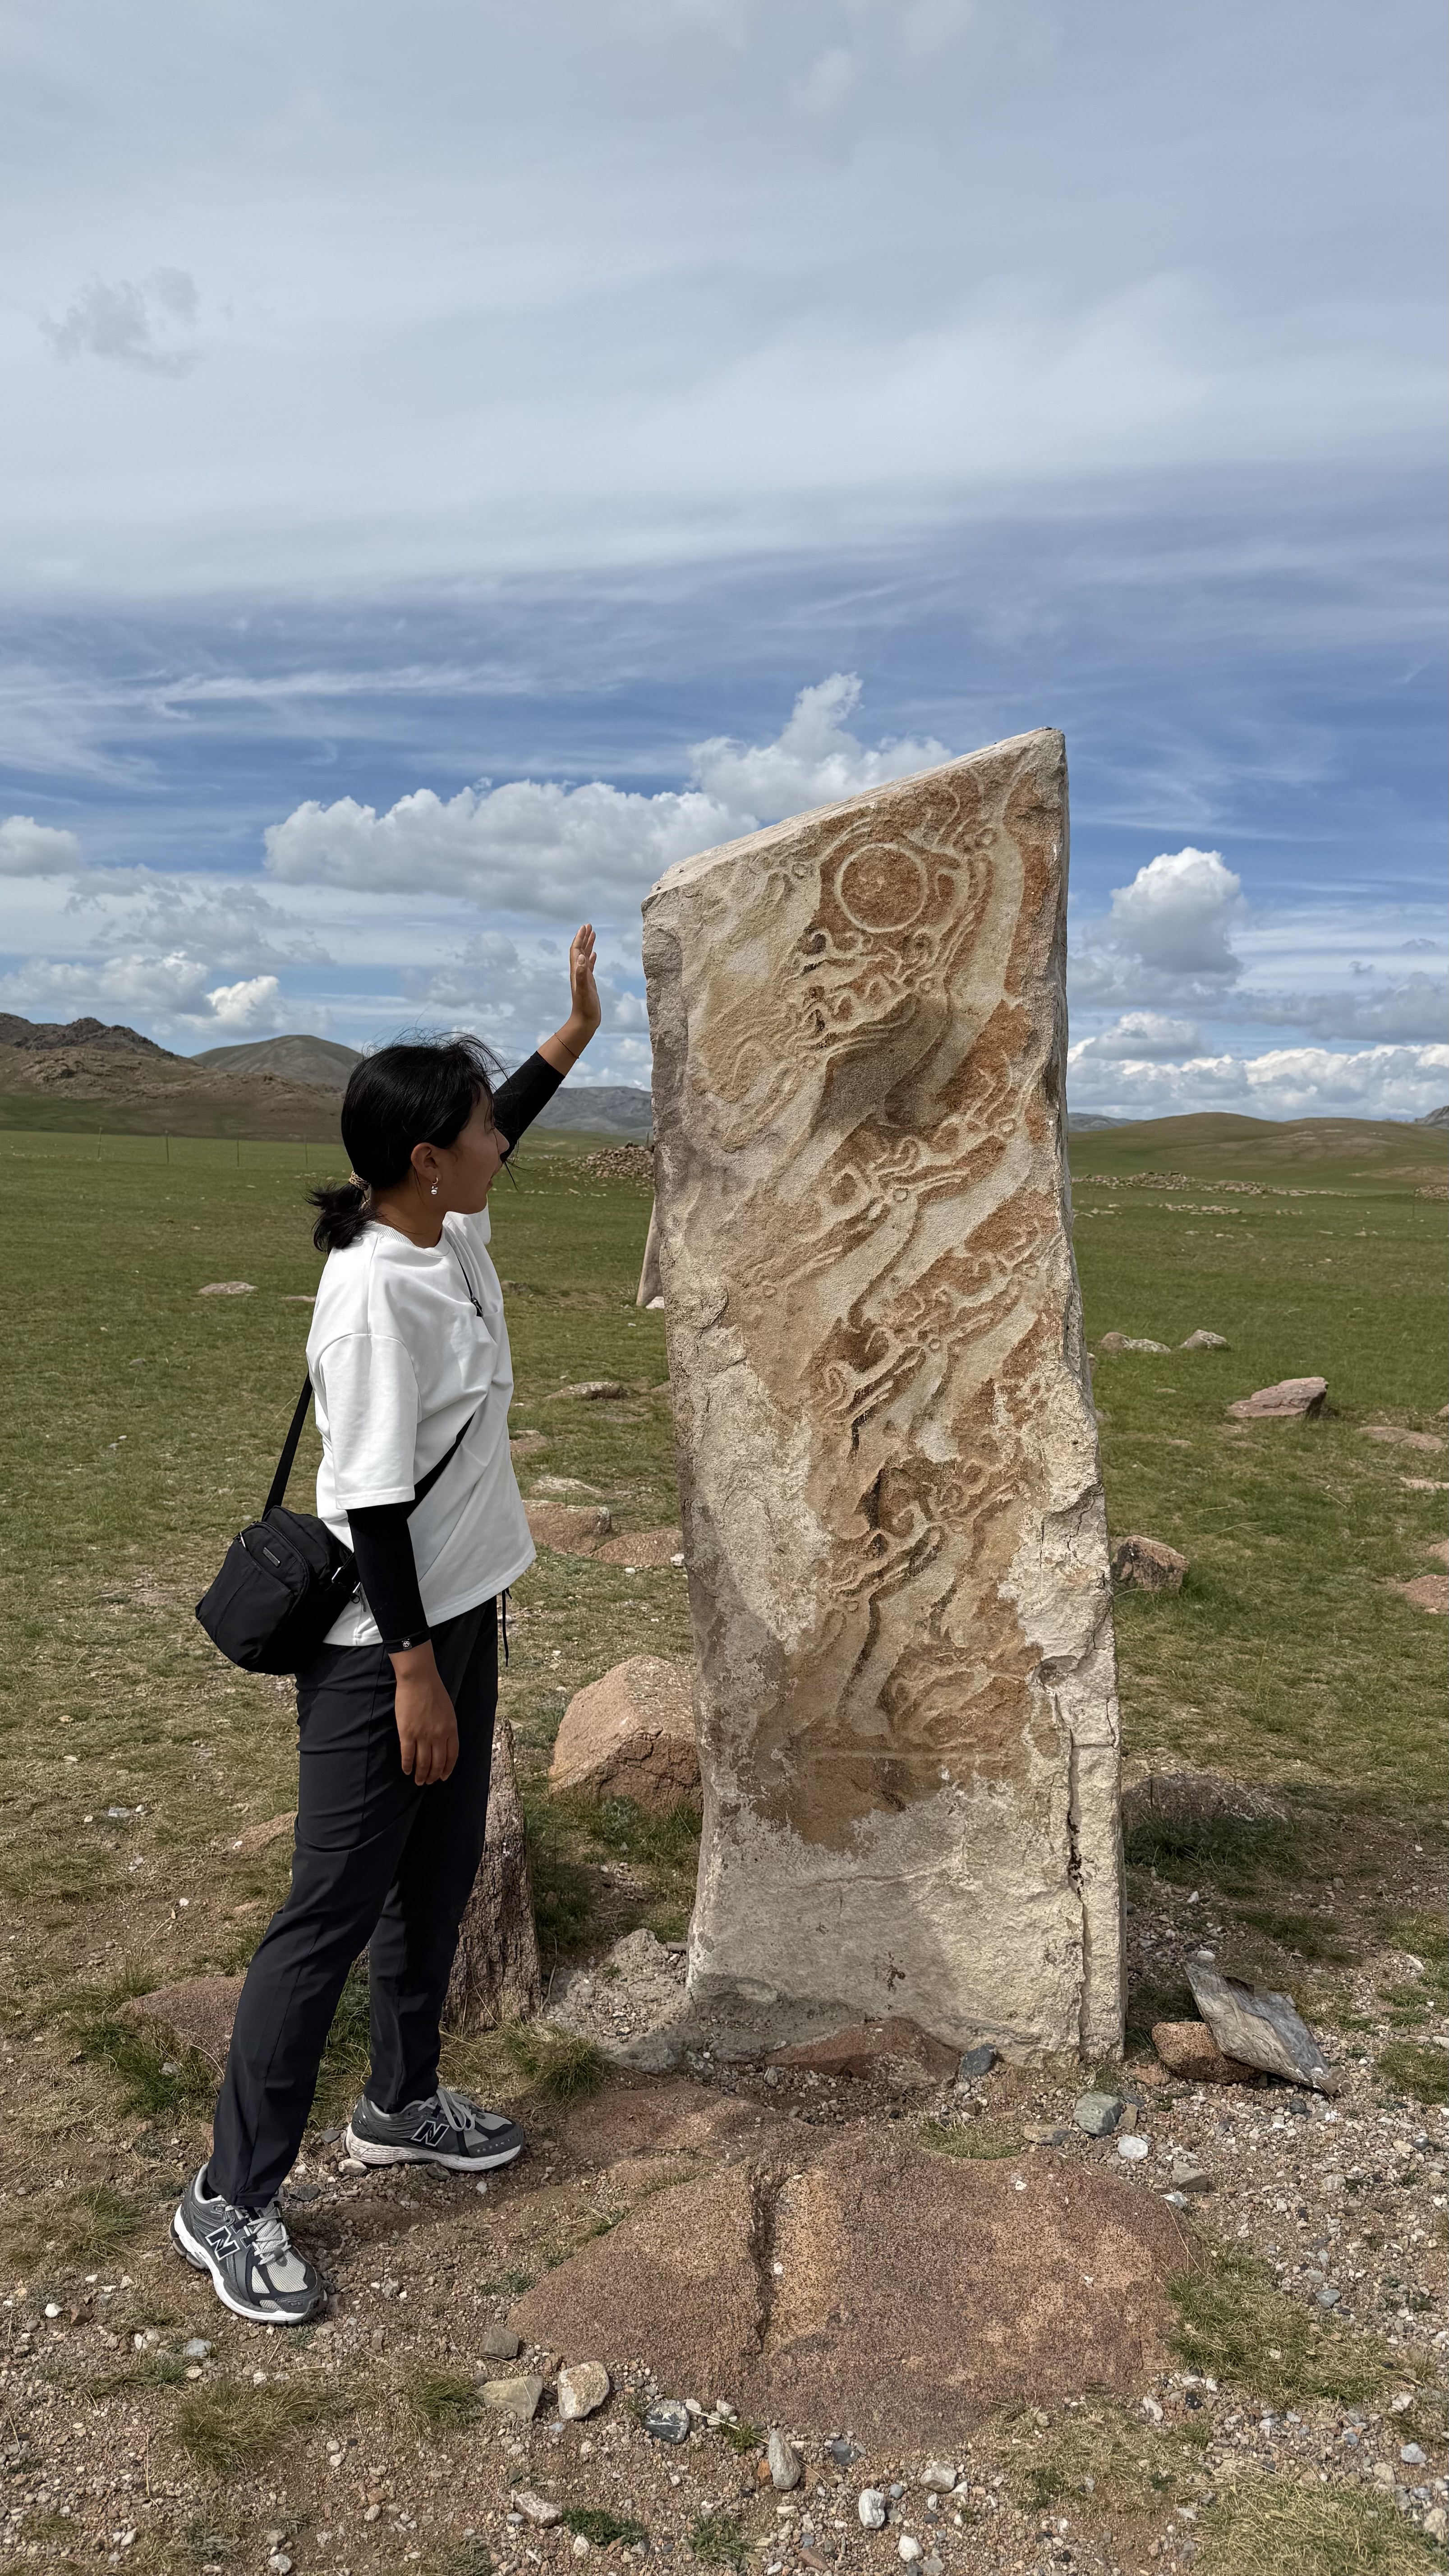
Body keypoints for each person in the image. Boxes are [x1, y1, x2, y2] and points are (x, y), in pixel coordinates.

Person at [172, 926, 602, 2325]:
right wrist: (415, 1674)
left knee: (437, 1875)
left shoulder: (442, 1225)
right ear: (427, 1158)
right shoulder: (372, 1298)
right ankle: (230, 2198)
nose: (497, 1145)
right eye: (476, 1132)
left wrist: (570, 1035)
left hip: (462, 1616)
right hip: (383, 1653)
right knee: (329, 1914)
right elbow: (369, 1502)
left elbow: (505, 1118)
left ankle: (401, 2103)